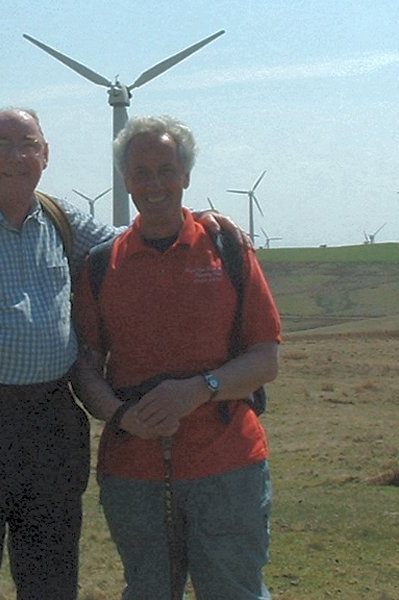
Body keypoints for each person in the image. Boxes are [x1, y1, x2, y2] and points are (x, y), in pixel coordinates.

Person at [0, 107, 243, 599]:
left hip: (51, 423)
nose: (16, 156)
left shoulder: (62, 220)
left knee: (52, 577)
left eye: (28, 144)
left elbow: (134, 241)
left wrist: (199, 223)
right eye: (2, 144)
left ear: (45, 155)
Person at [73, 115, 281, 599]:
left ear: (186, 175)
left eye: (166, 170)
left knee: (235, 592)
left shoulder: (227, 247)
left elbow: (265, 358)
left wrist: (197, 391)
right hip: (134, 472)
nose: (155, 183)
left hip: (228, 463)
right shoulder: (102, 264)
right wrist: (122, 416)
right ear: (125, 180)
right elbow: (85, 368)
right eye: (141, 172)